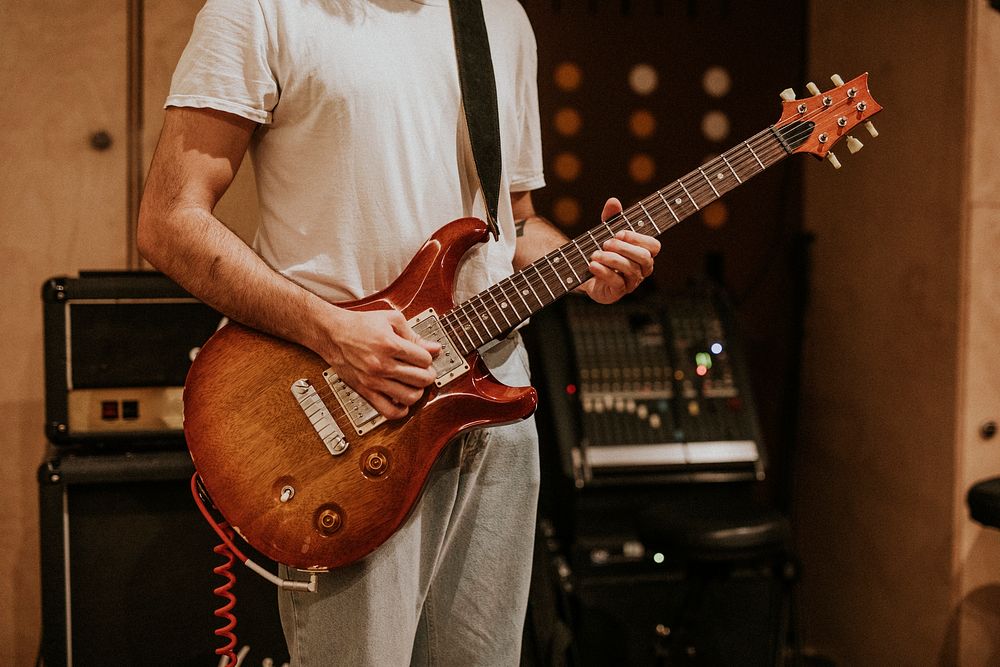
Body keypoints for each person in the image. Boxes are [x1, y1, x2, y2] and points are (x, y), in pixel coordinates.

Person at [137, 0, 660, 664]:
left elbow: (511, 223)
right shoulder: (260, 9)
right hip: (352, 414)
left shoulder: (500, 19)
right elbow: (169, 220)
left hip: (493, 411)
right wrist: (332, 332)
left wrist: (588, 267)